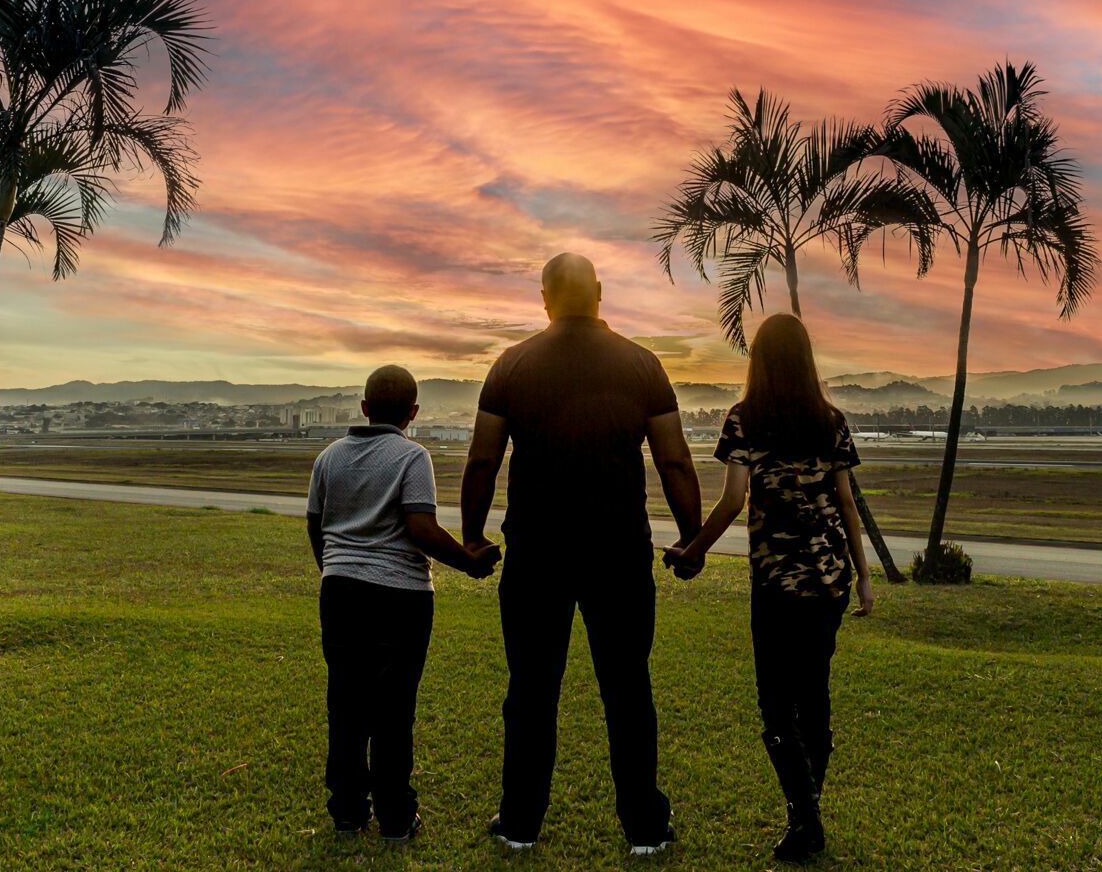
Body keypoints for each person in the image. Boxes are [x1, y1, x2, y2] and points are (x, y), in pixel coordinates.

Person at [460, 253, 705, 856]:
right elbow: (674, 459)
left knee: (531, 691)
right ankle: (645, 828)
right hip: (618, 551)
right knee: (627, 689)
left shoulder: (511, 364)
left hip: (536, 553)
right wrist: (692, 538)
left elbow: (482, 460)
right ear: (599, 293)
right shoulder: (642, 364)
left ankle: (519, 823)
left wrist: (471, 538)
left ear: (544, 299)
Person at [664, 313, 873, 864]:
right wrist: (865, 577)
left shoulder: (744, 419)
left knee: (777, 706)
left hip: (778, 582)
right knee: (815, 697)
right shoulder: (830, 420)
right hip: (830, 582)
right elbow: (847, 505)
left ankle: (804, 817)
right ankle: (807, 814)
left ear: (757, 359)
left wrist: (693, 550)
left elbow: (733, 501)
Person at [306, 364, 500, 844]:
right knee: (394, 709)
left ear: (364, 407)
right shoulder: (413, 457)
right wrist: (468, 562)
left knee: (346, 704)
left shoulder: (328, 457)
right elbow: (420, 528)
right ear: (413, 412)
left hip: (341, 592)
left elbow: (315, 524)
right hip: (401, 597)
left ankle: (347, 813)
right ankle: (396, 817)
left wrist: (335, 568)